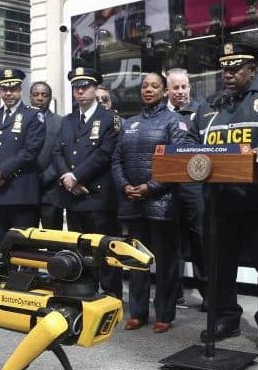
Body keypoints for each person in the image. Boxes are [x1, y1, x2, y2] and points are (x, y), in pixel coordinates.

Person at [195, 43, 258, 353]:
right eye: (224, 69)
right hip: (223, 201)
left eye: (235, 68)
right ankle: (226, 317)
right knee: (221, 265)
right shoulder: (212, 105)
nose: (228, 74)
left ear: (252, 69)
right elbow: (189, 138)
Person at [112, 72, 190, 333]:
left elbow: (178, 162)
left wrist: (150, 188)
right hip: (132, 203)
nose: (148, 90)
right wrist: (125, 186)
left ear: (165, 91)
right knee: (136, 261)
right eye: (144, 86)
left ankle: (164, 315)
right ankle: (137, 313)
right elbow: (116, 161)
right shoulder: (128, 124)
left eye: (154, 86)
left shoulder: (174, 122)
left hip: (162, 204)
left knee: (166, 262)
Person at [53, 67, 122, 299]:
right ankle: (87, 293)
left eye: (86, 87)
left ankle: (111, 295)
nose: (80, 91)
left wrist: (76, 176)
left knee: (104, 250)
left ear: (95, 89)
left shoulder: (109, 118)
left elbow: (104, 153)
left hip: (98, 196)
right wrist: (67, 178)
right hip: (73, 196)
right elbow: (57, 152)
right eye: (76, 87)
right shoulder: (67, 120)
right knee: (80, 249)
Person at [0, 68, 45, 255]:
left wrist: (2, 172)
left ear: (20, 89)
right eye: (4, 89)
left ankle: (27, 284)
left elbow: (30, 152)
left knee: (25, 249)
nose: (8, 93)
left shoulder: (33, 115)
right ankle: (4, 283)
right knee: (2, 248)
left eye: (13, 88)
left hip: (20, 193)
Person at [166, 67, 208, 310]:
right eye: (176, 87)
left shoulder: (201, 111)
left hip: (194, 186)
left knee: (200, 239)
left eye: (184, 87)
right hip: (168, 186)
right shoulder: (160, 113)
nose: (181, 92)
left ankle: (208, 295)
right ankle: (173, 294)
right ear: (167, 90)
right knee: (171, 242)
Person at [31, 80, 65, 231]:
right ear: (30, 97)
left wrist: (46, 176)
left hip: (52, 190)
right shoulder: (21, 120)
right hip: (26, 189)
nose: (40, 98)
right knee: (27, 240)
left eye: (44, 95)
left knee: (53, 240)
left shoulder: (61, 122)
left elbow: (61, 153)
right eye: (36, 95)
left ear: (50, 98)